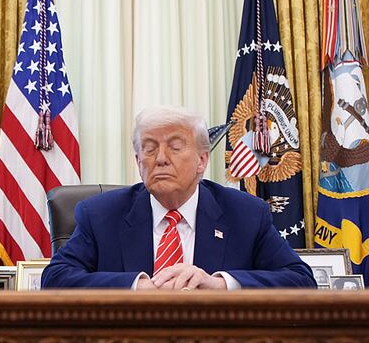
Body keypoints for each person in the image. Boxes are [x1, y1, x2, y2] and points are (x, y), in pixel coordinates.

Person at [41, 106, 316, 290]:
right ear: (138, 162)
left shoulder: (244, 213)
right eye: (149, 149)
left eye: (174, 147)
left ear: (202, 160)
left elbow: (301, 280)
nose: (160, 159)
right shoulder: (101, 214)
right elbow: (55, 278)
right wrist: (137, 286)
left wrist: (220, 284)